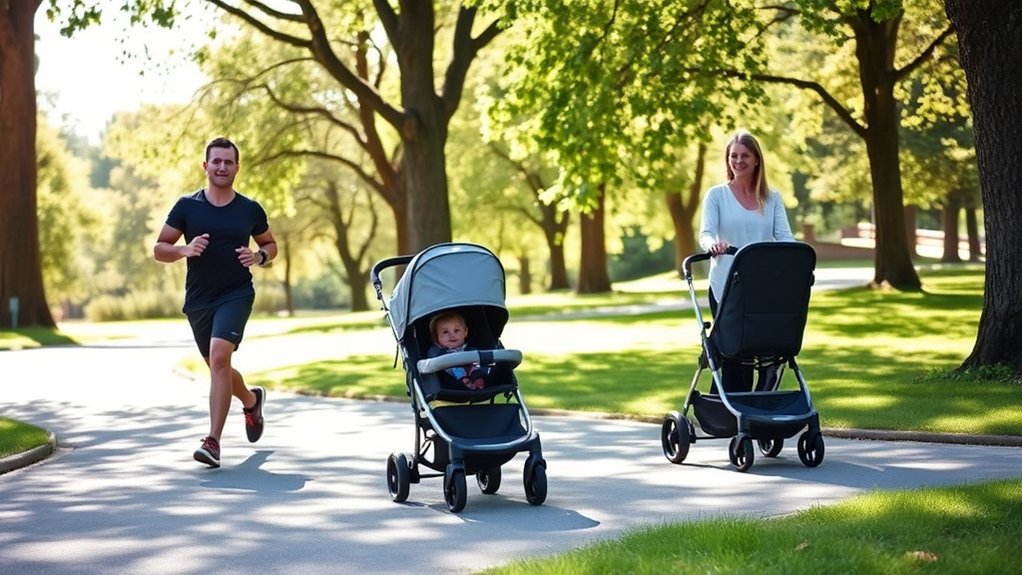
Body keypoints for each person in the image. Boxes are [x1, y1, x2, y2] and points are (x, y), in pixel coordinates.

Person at [153, 137, 278, 468]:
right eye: (216, 161)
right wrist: (184, 249)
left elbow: (270, 244)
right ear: (205, 166)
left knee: (220, 357)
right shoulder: (187, 206)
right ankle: (251, 400)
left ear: (237, 167)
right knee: (218, 366)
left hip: (236, 293)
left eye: (228, 162)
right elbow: (159, 249)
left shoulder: (250, 209)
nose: (222, 167)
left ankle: (213, 442)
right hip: (198, 301)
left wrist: (259, 256)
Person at [698, 130, 795, 392]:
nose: (738, 160)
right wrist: (712, 246)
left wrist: (799, 259)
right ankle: (732, 412)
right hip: (726, 286)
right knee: (734, 352)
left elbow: (785, 236)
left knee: (765, 346)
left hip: (762, 287)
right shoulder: (716, 195)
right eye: (733, 155)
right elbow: (705, 233)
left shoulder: (771, 197)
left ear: (756, 160)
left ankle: (763, 397)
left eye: (744, 155)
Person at [426, 311, 488, 390]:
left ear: (465, 332)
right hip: (449, 382)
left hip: (473, 373)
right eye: (445, 332)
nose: (452, 335)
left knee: (477, 363)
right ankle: (466, 382)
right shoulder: (435, 351)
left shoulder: (470, 349)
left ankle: (479, 380)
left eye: (456, 330)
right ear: (436, 338)